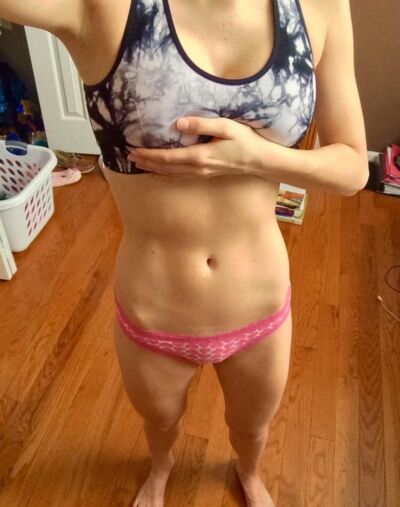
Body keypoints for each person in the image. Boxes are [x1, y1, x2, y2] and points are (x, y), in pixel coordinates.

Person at [1, 0, 368, 505]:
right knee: (160, 423)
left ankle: (249, 473)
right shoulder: (103, 9)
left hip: (259, 309)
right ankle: (161, 468)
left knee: (252, 429)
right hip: (155, 312)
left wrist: (255, 157)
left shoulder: (322, 7)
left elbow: (354, 167)